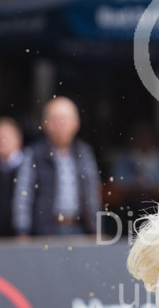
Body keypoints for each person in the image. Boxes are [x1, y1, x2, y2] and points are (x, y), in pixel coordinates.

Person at [12, 96, 104, 236]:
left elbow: (92, 193)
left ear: (76, 123)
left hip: (79, 228)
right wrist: (22, 231)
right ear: (44, 123)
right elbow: (23, 194)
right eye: (55, 119)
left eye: (66, 118)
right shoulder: (34, 154)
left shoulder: (84, 153)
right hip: (45, 230)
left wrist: (97, 229)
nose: (61, 124)